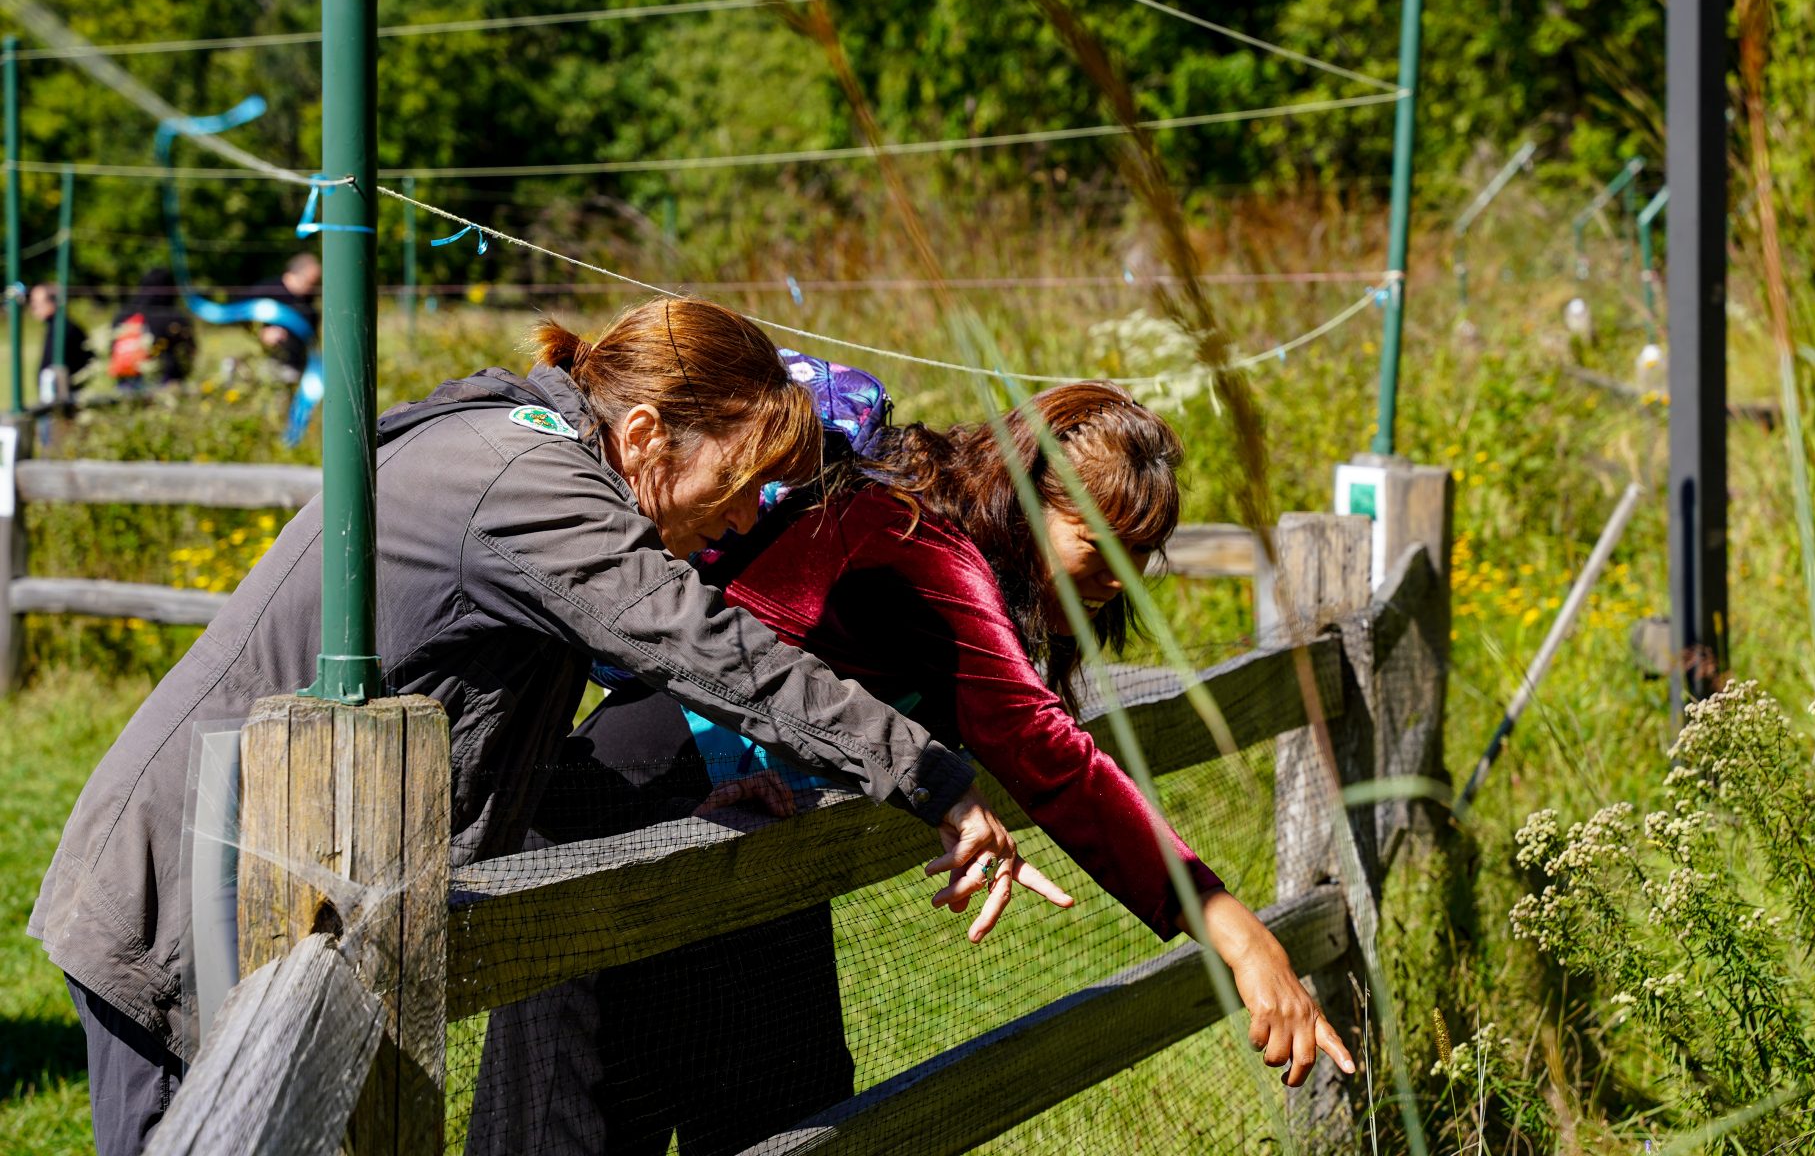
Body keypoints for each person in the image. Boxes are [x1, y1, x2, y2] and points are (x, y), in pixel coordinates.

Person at [29, 299, 1058, 1156]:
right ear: (648, 431)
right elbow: (696, 638)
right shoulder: (525, 478)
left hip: (286, 864)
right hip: (192, 881)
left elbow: (584, 690)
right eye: (735, 484)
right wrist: (932, 777)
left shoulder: (532, 458)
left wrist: (696, 775)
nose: (745, 518)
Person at [469, 380, 1354, 1156]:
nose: (1119, 582)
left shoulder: (933, 533)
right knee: (581, 1122)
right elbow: (1043, 745)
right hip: (642, 790)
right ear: (1029, 497)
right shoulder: (925, 545)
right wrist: (1237, 931)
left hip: (746, 805)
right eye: (1100, 548)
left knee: (783, 1116)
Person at [108, 269, 196, 386]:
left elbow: (111, 350)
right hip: (165, 387)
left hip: (125, 384)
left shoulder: (121, 316)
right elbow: (189, 351)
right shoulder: (173, 317)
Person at [245, 252, 321, 380]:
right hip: (267, 361)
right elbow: (237, 314)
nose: (312, 289)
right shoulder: (267, 290)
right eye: (310, 282)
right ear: (293, 275)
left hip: (299, 364)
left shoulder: (308, 299)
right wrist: (262, 332)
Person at [27, 281, 92, 400]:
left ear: (53, 302)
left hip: (63, 396)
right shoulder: (56, 326)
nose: (33, 307)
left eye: (37, 303)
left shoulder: (62, 328)